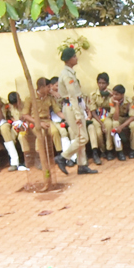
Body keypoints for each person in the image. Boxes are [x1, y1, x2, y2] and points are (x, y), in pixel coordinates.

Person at [57, 46, 96, 175]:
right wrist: (78, 115)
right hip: (72, 108)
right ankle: (63, 157)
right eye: (74, 56)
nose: (76, 58)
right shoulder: (67, 75)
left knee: (81, 135)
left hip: (76, 106)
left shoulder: (70, 73)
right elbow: (72, 96)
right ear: (68, 60)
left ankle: (82, 164)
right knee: (83, 137)